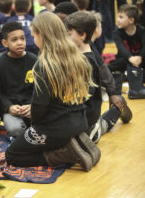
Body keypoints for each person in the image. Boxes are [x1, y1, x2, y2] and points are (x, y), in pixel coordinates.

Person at [5, 12, 100, 172]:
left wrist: (34, 127)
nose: (33, 40)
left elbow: (39, 106)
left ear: (42, 35)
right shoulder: (79, 57)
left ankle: (67, 153)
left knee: (12, 155)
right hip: (80, 122)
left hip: (55, 128)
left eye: (34, 35)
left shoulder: (44, 64)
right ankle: (71, 142)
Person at [65, 11, 132, 143]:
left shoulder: (89, 53)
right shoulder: (73, 49)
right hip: (79, 114)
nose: (65, 38)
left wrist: (112, 93)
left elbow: (104, 71)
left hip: (88, 119)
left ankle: (118, 107)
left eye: (68, 34)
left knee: (101, 126)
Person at [0, 21, 37, 137]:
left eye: (22, 38)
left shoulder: (35, 61)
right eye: (14, 40)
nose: (20, 43)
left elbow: (40, 89)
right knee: (15, 129)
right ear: (5, 43)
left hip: (32, 106)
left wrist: (32, 105)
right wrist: (9, 107)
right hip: (11, 109)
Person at [108, 4, 145, 99]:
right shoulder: (117, 32)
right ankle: (126, 75)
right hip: (125, 60)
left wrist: (140, 57)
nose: (117, 20)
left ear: (131, 20)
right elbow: (121, 48)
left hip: (140, 61)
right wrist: (130, 58)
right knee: (112, 67)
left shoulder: (141, 31)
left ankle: (129, 75)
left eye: (121, 17)